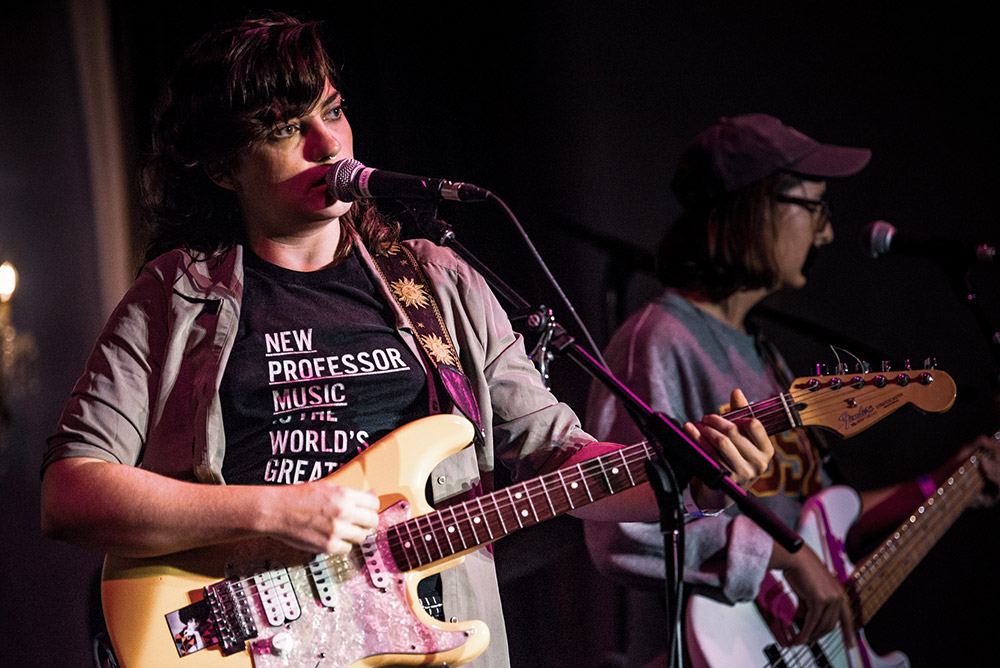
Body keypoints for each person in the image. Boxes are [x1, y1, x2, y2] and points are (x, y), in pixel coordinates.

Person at [39, 14, 775, 668]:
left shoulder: (439, 282)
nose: (326, 142)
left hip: (425, 641)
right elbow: (71, 493)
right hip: (241, 634)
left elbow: (558, 455)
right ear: (223, 166)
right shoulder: (176, 295)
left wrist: (694, 478)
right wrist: (275, 511)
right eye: (283, 127)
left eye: (331, 109)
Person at [583, 113, 1000, 667]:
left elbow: (817, 518)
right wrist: (788, 558)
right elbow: (619, 533)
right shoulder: (661, 340)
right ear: (753, 207)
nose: (826, 232)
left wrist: (945, 483)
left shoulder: (763, 354)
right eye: (815, 207)